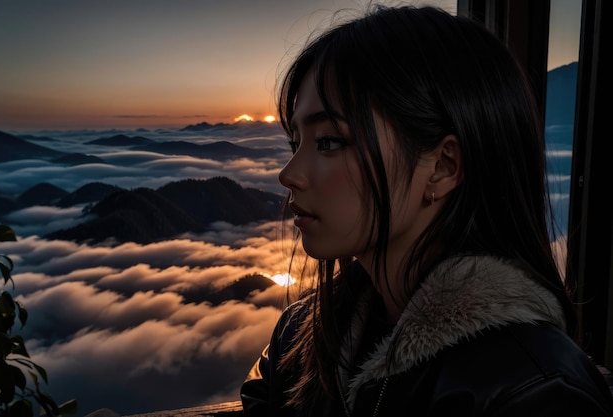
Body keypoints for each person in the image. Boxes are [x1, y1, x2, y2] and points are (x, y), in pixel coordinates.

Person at [240, 4, 613, 416]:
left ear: (442, 167)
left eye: (329, 141)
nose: (288, 174)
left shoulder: (534, 393)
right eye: (296, 143)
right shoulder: (300, 341)